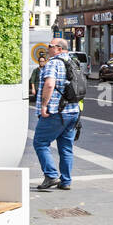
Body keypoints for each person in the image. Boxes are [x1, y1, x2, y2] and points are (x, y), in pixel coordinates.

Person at [33, 37, 80, 190]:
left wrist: (44, 105)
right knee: (66, 147)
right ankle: (66, 181)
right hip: (73, 111)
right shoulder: (74, 62)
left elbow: (49, 84)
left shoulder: (53, 63)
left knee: (40, 142)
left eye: (50, 46)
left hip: (56, 111)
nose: (48, 48)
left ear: (59, 48)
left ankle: (51, 175)